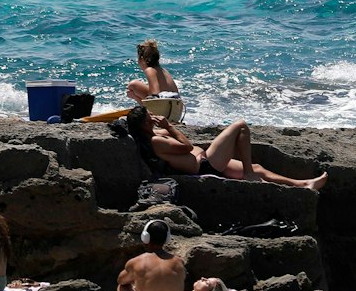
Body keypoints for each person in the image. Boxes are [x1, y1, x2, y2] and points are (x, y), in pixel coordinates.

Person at [125, 105, 327, 190]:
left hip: (207, 160)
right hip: (205, 166)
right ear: (143, 124)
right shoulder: (156, 141)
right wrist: (169, 126)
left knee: (259, 168)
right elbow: (186, 147)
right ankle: (248, 174)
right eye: (148, 117)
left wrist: (165, 129)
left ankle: (303, 185)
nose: (152, 117)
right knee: (241, 126)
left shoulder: (153, 136)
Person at [110, 219, 205, 291]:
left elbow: (121, 280)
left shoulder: (137, 262)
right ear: (167, 238)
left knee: (123, 287)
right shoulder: (179, 263)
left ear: (145, 237)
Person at [126, 39, 182, 109]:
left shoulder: (150, 70)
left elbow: (154, 98)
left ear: (142, 59)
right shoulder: (163, 70)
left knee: (133, 85)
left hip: (164, 111)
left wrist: (135, 97)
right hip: (176, 111)